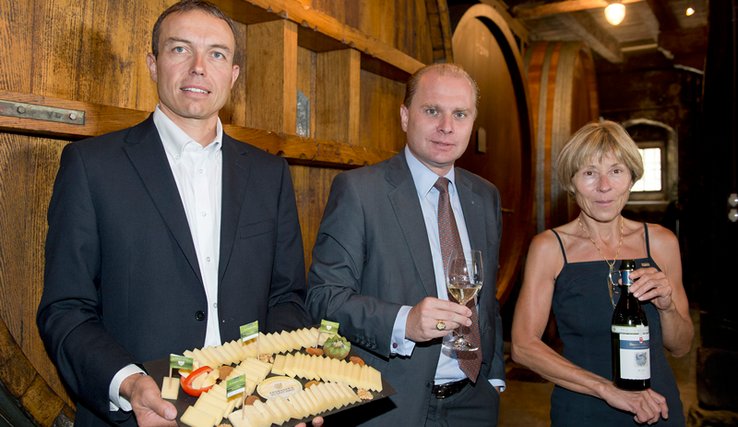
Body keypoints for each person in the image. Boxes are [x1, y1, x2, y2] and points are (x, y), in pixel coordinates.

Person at [36, 1, 321, 426]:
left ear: (234, 75)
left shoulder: (269, 173)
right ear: (153, 64)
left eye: (217, 54)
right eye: (180, 49)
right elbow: (66, 309)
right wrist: (130, 383)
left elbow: (285, 299)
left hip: (250, 412)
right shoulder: (91, 166)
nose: (199, 67)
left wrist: (282, 385)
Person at [306, 63, 505, 426]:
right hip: (390, 405)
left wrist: (494, 377)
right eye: (432, 111)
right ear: (404, 116)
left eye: (460, 114)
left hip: (474, 403)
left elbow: (486, 299)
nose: (447, 126)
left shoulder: (485, 196)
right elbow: (324, 298)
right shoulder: (360, 191)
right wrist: (404, 322)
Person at [511, 120, 693, 426]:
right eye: (590, 173)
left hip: (656, 407)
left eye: (616, 171)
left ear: (632, 177)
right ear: (571, 183)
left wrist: (667, 306)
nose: (604, 187)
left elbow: (681, 346)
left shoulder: (662, 242)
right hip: (583, 409)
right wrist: (606, 389)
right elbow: (522, 346)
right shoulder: (550, 248)